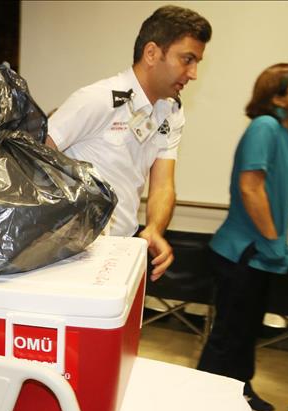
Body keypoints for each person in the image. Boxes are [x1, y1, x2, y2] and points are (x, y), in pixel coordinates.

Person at [46, 5, 212, 281]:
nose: (193, 73)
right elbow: (31, 159)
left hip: (122, 248)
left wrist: (155, 229)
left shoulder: (171, 111)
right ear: (151, 53)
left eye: (197, 63)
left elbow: (163, 184)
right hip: (72, 253)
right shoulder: (97, 99)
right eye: (187, 59)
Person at [197, 64, 288, 411]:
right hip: (243, 253)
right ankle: (203, 403)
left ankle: (240, 389)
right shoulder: (264, 127)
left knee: (245, 330)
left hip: (259, 252)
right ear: (278, 97)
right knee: (228, 334)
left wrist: (274, 242)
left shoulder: (283, 133)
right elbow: (251, 188)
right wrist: (271, 238)